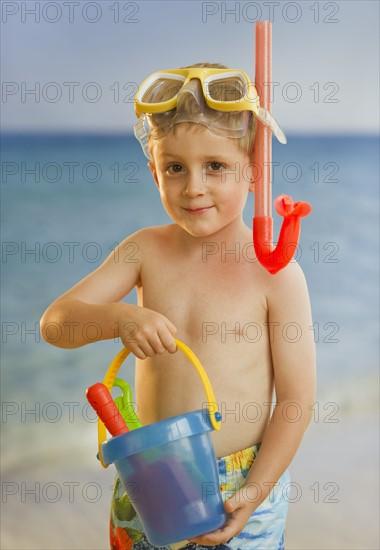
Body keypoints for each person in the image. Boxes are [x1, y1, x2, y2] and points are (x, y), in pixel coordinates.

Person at [41, 63, 316, 549]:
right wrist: (119, 317)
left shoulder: (274, 272)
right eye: (175, 167)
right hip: (150, 475)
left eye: (215, 166)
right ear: (154, 172)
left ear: (255, 170)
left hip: (241, 483)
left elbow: (295, 402)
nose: (193, 186)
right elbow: (56, 324)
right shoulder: (144, 250)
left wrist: (254, 493)